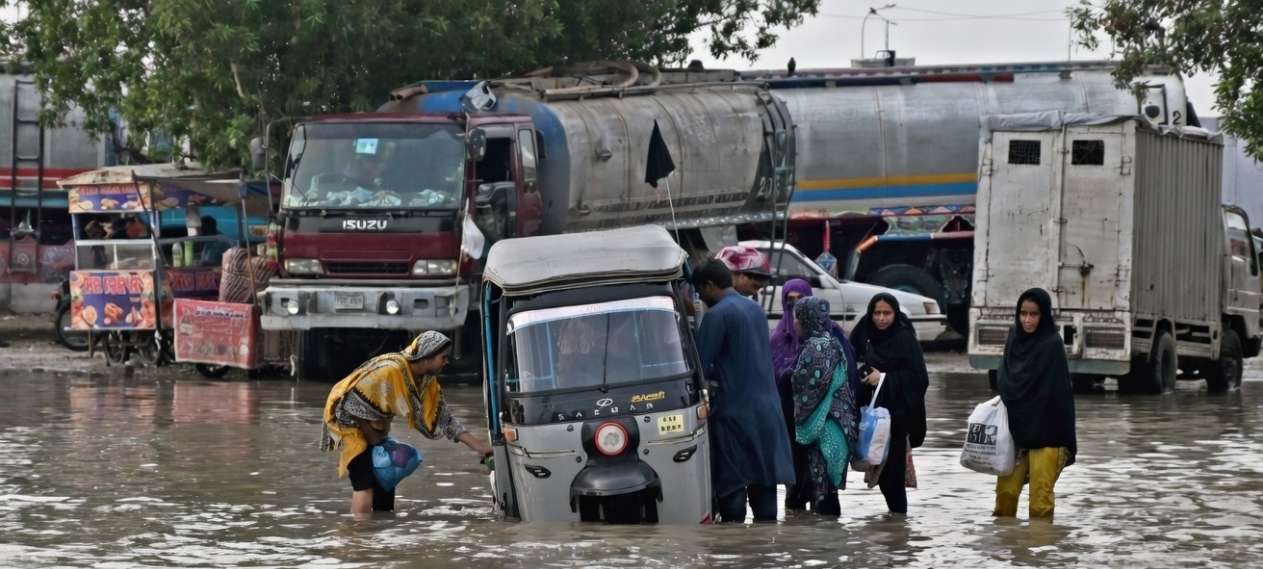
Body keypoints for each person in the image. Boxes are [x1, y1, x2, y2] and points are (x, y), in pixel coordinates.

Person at [321, 331, 492, 514]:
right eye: (443, 357)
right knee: (365, 484)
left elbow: (445, 419)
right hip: (348, 422)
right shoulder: (390, 371)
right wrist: (373, 439)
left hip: (375, 428)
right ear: (427, 356)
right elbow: (350, 402)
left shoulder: (426, 381)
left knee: (385, 482)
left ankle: (381, 534)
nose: (446, 362)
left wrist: (480, 448)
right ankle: (359, 535)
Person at [692, 259, 794, 522]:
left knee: (732, 490)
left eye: (700, 292)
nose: (700, 298)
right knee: (764, 489)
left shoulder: (717, 315)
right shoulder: (754, 309)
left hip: (734, 413)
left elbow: (700, 367)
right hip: (768, 412)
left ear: (710, 286)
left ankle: (736, 554)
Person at [770, 278, 861, 512]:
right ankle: (811, 543)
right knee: (809, 490)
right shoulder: (784, 339)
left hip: (817, 427)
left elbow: (809, 388)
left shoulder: (818, 346)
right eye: (789, 303)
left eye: (799, 306)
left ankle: (815, 546)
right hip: (808, 425)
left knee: (821, 493)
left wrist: (788, 375)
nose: (795, 317)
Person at [994, 288, 1077, 519]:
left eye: (1034, 314)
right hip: (1016, 432)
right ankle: (1008, 549)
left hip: (1048, 434)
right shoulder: (1013, 339)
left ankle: (1040, 550)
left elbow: (1057, 395)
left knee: (1040, 503)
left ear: (1044, 316)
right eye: (1023, 313)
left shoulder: (1051, 344)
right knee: (1005, 496)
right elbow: (1004, 379)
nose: (1027, 320)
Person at [850, 293, 929, 514]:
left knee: (893, 475)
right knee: (882, 475)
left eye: (887, 313)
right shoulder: (864, 333)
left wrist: (883, 378)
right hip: (872, 416)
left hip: (897, 417)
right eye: (877, 313)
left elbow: (919, 378)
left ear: (895, 314)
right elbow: (851, 360)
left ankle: (898, 524)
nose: (882, 318)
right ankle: (895, 529)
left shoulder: (904, 338)